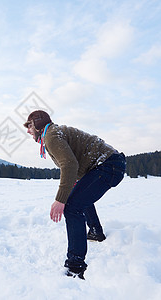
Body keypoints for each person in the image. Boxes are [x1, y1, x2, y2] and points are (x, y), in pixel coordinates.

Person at [24, 110, 126, 279]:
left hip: (108, 166)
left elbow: (69, 164)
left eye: (29, 125)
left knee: (71, 207)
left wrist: (60, 200)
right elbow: (74, 164)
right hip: (109, 164)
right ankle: (95, 231)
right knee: (78, 196)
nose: (28, 130)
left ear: (38, 124)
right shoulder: (53, 133)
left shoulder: (51, 136)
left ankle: (75, 266)